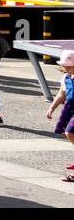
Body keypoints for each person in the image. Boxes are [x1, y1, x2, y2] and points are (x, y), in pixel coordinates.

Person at [44, 49, 74, 181]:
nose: (65, 67)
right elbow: (61, 94)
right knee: (68, 134)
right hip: (70, 109)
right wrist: (52, 108)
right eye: (65, 65)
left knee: (70, 133)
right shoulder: (66, 77)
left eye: (68, 65)